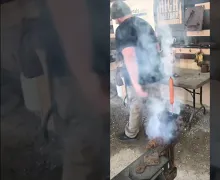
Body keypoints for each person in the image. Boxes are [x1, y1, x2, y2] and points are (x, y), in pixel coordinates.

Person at [41, 0, 110, 179]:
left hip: (83, 76)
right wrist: (88, 81)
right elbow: (67, 7)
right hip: (83, 81)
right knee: (84, 161)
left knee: (91, 160)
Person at [111, 1, 164, 141]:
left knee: (135, 105)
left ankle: (131, 133)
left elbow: (129, 55)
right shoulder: (145, 24)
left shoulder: (122, 29)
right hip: (154, 74)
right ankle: (151, 130)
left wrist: (136, 85)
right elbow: (157, 47)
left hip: (138, 76)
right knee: (154, 105)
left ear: (117, 18)